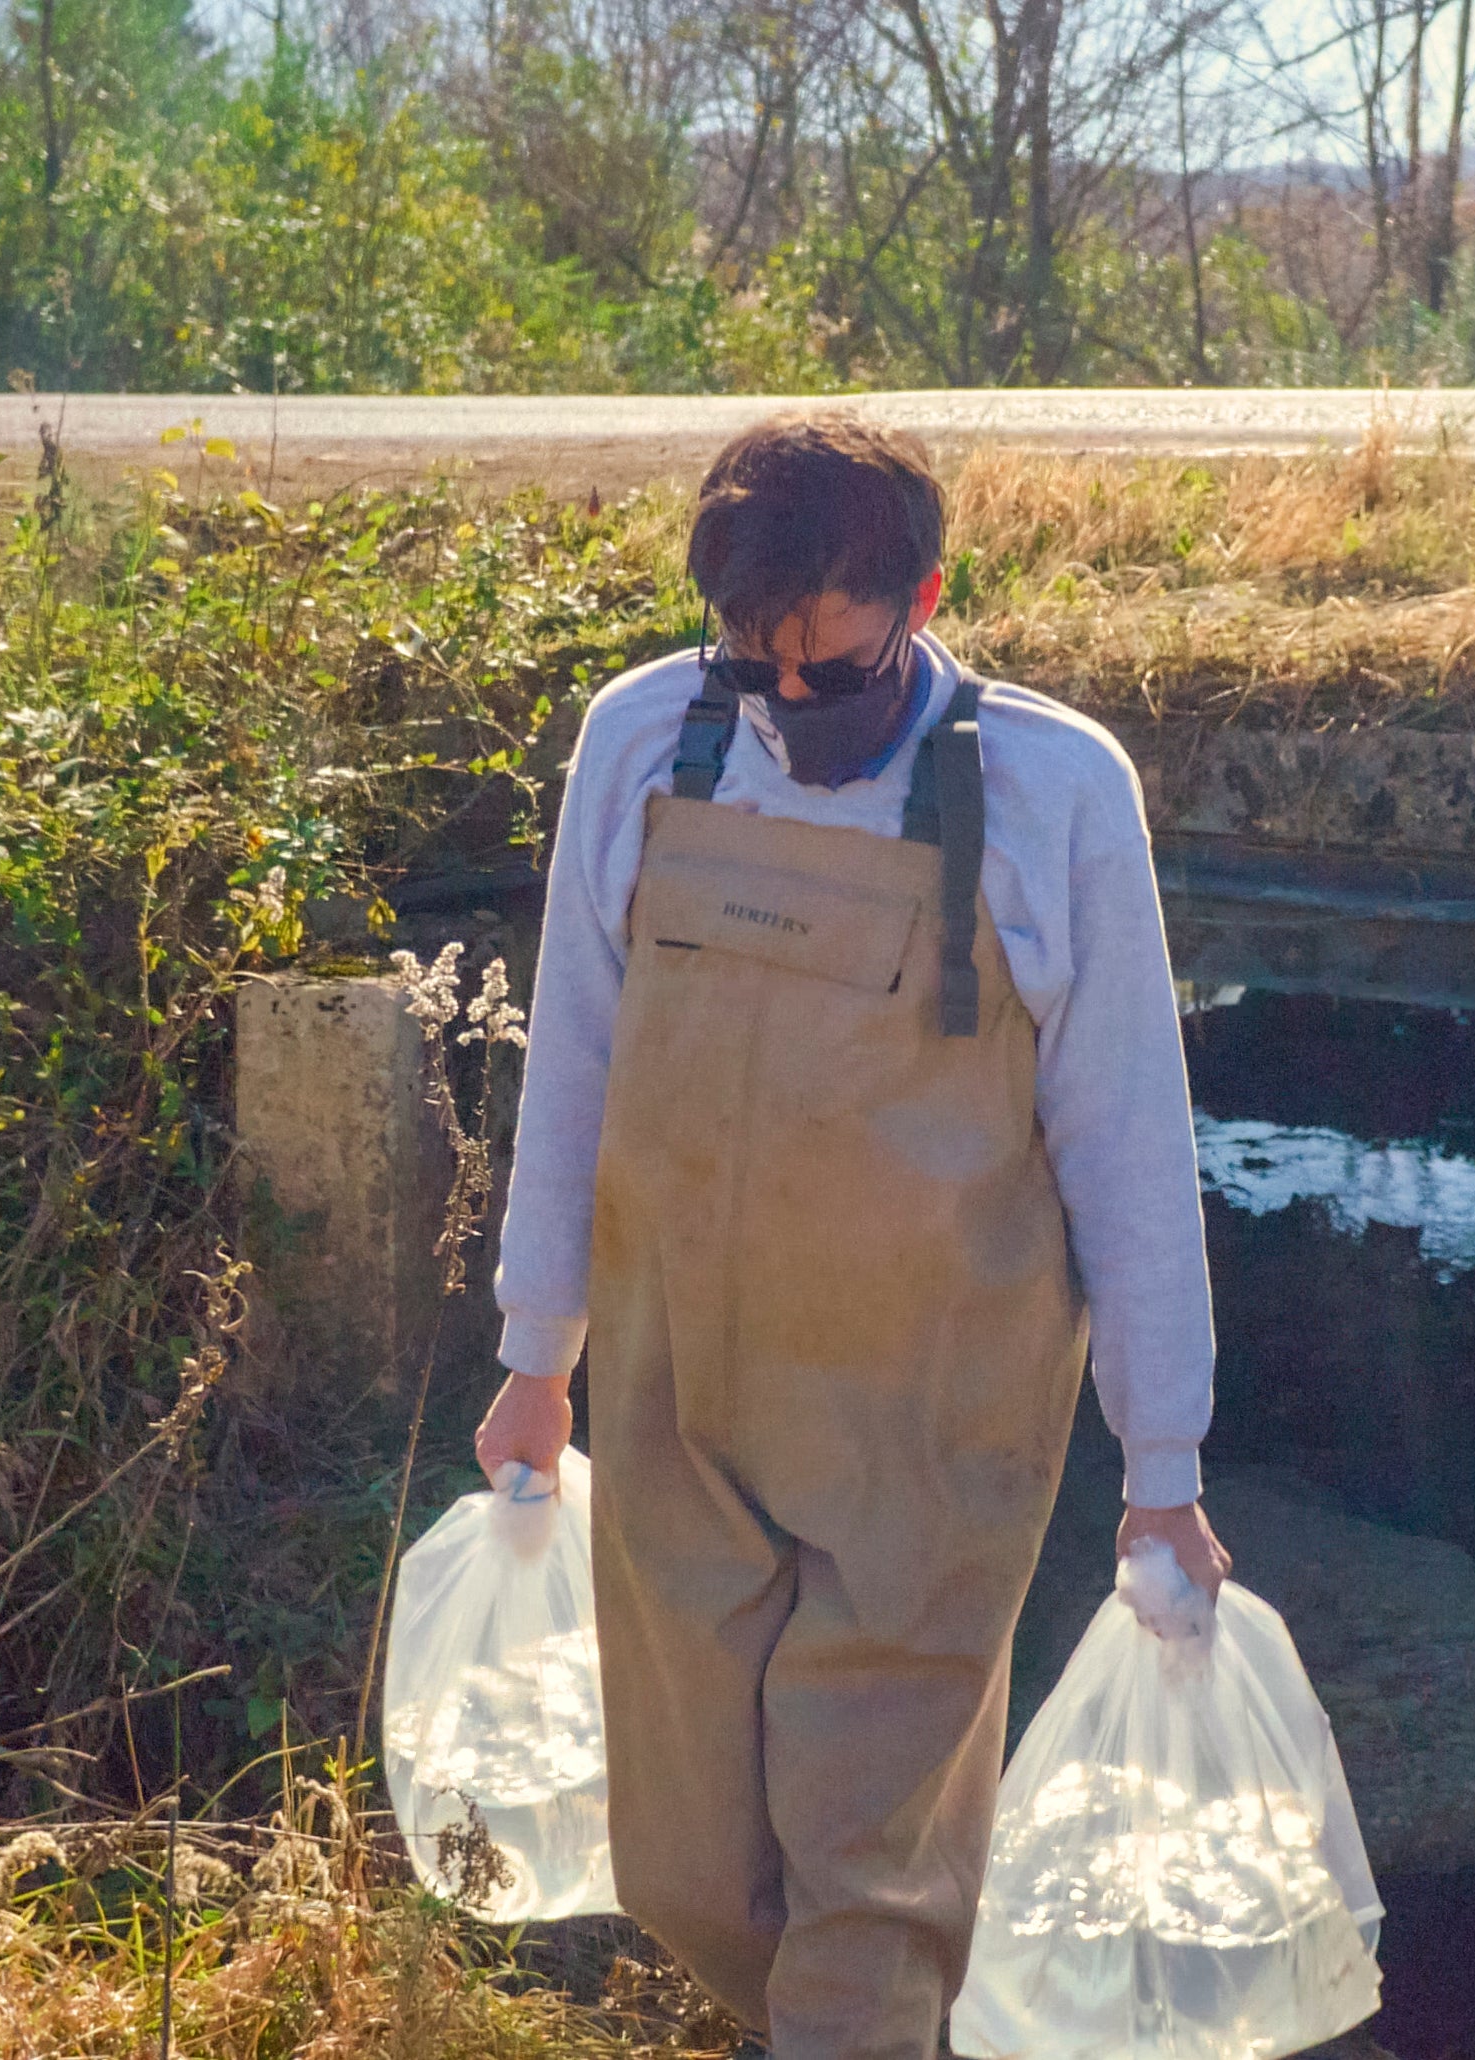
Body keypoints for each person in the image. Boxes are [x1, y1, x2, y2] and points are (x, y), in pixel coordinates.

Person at [474, 413, 1225, 2058]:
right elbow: (576, 1056)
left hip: (932, 1428)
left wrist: (1159, 1464)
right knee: (683, 1864)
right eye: (756, 671)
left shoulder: (1049, 785)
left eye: (833, 668)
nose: (791, 705)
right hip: (680, 1396)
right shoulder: (640, 739)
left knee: (867, 1880)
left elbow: (1126, 1134)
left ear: (926, 594)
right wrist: (538, 1359)